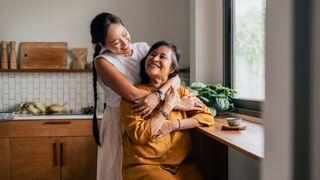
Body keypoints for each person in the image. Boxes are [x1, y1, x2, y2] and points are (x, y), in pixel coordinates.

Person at [90, 13, 204, 180]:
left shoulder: (143, 48)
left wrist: (158, 95)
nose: (125, 43)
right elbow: (132, 94)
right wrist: (176, 104)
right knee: (117, 172)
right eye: (115, 42)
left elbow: (175, 77)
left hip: (152, 118)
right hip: (121, 122)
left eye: (124, 34)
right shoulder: (103, 62)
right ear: (102, 44)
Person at [120, 40, 214, 180]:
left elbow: (207, 116)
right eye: (152, 54)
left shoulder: (180, 92)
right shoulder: (133, 95)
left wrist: (172, 125)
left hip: (183, 166)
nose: (155, 59)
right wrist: (168, 106)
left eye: (162, 56)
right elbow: (140, 134)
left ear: (172, 69)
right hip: (144, 166)